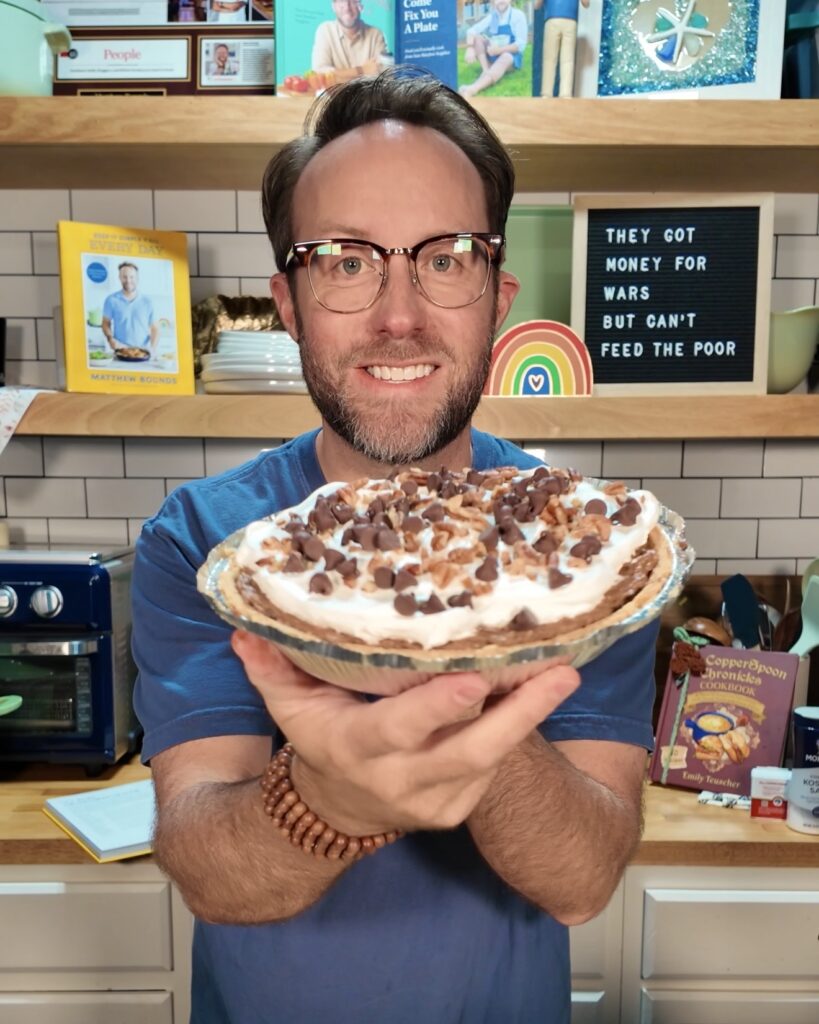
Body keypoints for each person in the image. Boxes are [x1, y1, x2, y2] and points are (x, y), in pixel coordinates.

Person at [131, 68, 659, 1024]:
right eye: (343, 260)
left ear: (496, 297)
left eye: (446, 257)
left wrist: (439, 680)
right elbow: (209, 870)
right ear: (287, 305)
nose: (399, 314)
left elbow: (581, 879)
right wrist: (328, 799)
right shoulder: (208, 544)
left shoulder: (586, 556)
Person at [460, 0, 529, 99]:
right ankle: (486, 70)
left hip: (511, 57)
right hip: (495, 54)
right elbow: (472, 31)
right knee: (477, 38)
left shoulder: (518, 15)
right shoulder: (493, 16)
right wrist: (470, 48)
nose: (501, 1)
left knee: (506, 56)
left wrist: (499, 50)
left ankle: (473, 88)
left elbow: (520, 45)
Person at [311, 0, 387, 82]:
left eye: (353, 1)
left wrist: (338, 76)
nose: (347, 7)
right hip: (335, 95)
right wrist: (362, 70)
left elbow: (382, 77)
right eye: (341, 1)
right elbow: (320, 74)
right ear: (333, 6)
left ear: (360, 6)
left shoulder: (376, 35)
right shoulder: (325, 31)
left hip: (366, 95)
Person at [101, 262, 158, 354]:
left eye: (132, 277)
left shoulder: (148, 302)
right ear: (119, 278)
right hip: (120, 350)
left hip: (142, 352)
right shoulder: (111, 300)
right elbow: (105, 323)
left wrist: (152, 349)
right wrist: (110, 338)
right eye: (124, 277)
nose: (128, 280)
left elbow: (155, 328)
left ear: (137, 278)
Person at [535, 0, 590, 98]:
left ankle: (548, 93)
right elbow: (586, 3)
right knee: (567, 61)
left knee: (550, 60)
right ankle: (565, 93)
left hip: (554, 19)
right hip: (567, 20)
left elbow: (537, 5)